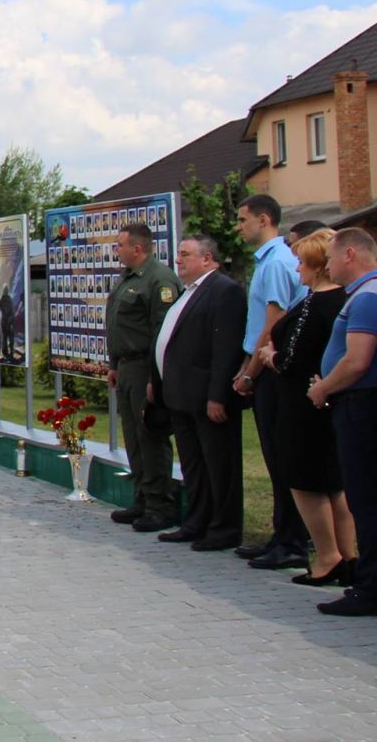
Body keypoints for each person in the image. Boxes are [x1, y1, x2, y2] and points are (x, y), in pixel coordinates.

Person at [261, 229, 355, 586]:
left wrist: (271, 356)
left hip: (302, 405)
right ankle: (349, 555)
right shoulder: (345, 300)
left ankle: (328, 555)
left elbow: (292, 358)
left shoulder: (313, 305)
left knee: (305, 482)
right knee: (335, 483)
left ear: (316, 267)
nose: (296, 269)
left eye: (301, 262)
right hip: (328, 400)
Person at [151, 236, 248, 552]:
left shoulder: (224, 291)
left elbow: (225, 349)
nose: (178, 260)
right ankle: (197, 521)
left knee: (219, 465)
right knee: (194, 465)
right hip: (180, 396)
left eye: (185, 254)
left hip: (208, 398)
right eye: (178, 254)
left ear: (207, 258)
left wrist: (217, 396)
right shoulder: (187, 292)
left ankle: (224, 527)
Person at [231, 194, 311, 570]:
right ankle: (282, 534)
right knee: (274, 458)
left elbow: (273, 324)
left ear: (264, 220)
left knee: (284, 459)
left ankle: (293, 540)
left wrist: (252, 372)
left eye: (243, 219)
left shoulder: (278, 261)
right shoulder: (266, 261)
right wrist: (246, 363)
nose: (238, 226)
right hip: (262, 362)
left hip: (276, 372)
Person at [307, 228, 377, 615]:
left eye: (332, 257)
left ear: (350, 254)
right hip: (360, 402)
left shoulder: (366, 298)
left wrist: (324, 388)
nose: (328, 265)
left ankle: (369, 589)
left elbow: (357, 360)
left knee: (365, 499)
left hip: (361, 406)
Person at [105, 223, 181, 532]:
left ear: (138, 248)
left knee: (150, 435)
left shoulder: (159, 280)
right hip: (125, 366)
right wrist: (113, 363)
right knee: (133, 437)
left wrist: (155, 377)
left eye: (120, 244)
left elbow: (162, 332)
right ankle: (142, 497)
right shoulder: (128, 278)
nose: (116, 250)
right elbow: (117, 325)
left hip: (144, 367)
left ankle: (159, 504)